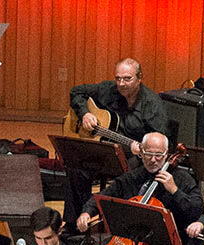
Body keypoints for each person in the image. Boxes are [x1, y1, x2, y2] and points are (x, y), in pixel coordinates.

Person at [64, 58, 169, 228]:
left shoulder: (152, 105)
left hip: (132, 155)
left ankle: (116, 225)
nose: (121, 83)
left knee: (131, 173)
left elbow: (160, 140)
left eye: (127, 79)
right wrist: (84, 114)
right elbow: (76, 92)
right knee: (75, 166)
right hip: (104, 149)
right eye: (118, 78)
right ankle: (75, 223)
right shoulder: (109, 89)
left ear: (139, 77)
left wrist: (143, 148)